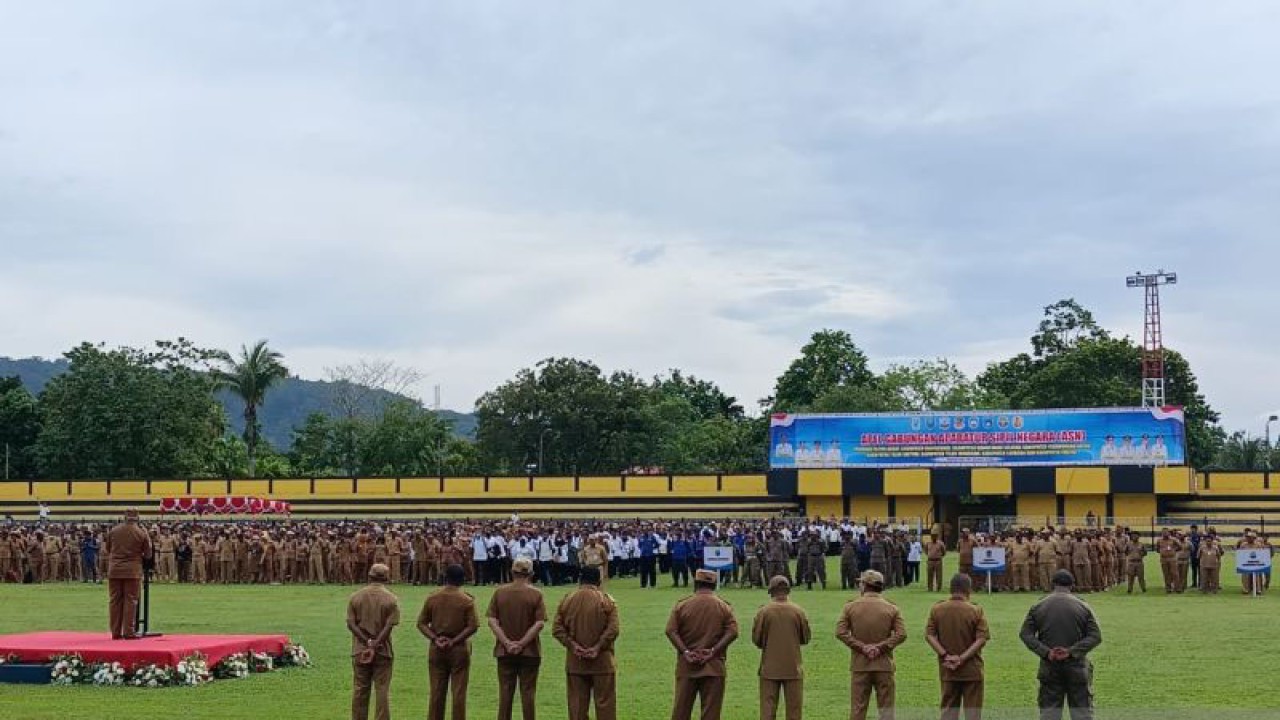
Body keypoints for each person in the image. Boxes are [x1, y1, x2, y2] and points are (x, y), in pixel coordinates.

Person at [1019, 571, 1102, 720]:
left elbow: (1026, 634)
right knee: (1082, 713)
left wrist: (1046, 652)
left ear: (1053, 584)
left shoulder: (1039, 606)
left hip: (1050, 665)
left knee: (1050, 713)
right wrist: (1071, 652)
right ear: (1072, 586)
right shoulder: (1083, 606)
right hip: (1076, 666)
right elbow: (1095, 636)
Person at [665, 568, 740, 720]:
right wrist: (714, 651)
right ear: (714, 585)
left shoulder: (682, 605)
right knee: (711, 713)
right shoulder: (723, 606)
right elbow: (733, 632)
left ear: (696, 583)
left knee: (681, 711)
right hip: (714, 665)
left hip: (687, 665)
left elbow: (670, 631)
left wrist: (686, 652)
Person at [835, 570, 906, 720]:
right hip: (884, 665)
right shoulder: (892, 608)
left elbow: (840, 632)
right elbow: (901, 634)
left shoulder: (850, 607)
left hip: (860, 665)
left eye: (860, 583)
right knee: (886, 711)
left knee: (858, 710)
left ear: (865, 585)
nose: (859, 585)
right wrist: (881, 647)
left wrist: (861, 647)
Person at [553, 567, 620, 720]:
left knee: (577, 708)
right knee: (605, 707)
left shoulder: (567, 600)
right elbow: (613, 629)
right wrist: (597, 647)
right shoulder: (607, 600)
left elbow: (557, 629)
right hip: (602, 661)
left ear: (580, 580)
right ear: (599, 581)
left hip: (576, 662)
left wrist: (573, 646)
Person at [487, 558, 547, 720]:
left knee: (505, 693)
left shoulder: (500, 592)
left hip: (504, 651)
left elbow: (492, 621)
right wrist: (522, 643)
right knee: (528, 694)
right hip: (530, 652)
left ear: (512, 572)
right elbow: (539, 623)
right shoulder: (536, 594)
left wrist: (506, 642)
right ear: (531, 574)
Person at [418, 564, 479, 720]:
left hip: (437, 648)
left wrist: (435, 638)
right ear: (462, 580)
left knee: (436, 692)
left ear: (446, 578)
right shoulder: (467, 600)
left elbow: (421, 623)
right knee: (458, 693)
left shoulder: (433, 597)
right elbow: (473, 626)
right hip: (458, 649)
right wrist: (454, 640)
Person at [926, 574, 989, 720]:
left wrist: (945, 655)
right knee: (973, 713)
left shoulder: (937, 609)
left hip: (947, 669)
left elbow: (929, 635)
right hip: (972, 669)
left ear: (951, 589)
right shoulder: (975, 610)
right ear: (968, 589)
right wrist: (962, 658)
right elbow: (981, 639)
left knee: (948, 711)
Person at [753, 575, 811, 720]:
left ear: (771, 591)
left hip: (769, 668)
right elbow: (805, 639)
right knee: (794, 710)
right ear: (788, 590)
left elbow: (757, 640)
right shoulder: (798, 611)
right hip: (793, 667)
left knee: (767, 709)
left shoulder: (764, 612)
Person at [348, 563, 400, 720]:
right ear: (387, 578)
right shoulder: (391, 599)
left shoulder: (356, 597)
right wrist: (375, 644)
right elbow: (389, 626)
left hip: (360, 649)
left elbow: (351, 624)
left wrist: (367, 642)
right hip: (383, 650)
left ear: (369, 576)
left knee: (360, 690)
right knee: (382, 690)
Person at [104, 509, 151, 639]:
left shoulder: (113, 531)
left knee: (115, 600)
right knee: (131, 600)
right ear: (137, 517)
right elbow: (148, 554)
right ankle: (129, 631)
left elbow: (108, 549)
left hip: (115, 569)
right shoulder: (141, 532)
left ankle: (115, 632)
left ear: (124, 517)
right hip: (132, 570)